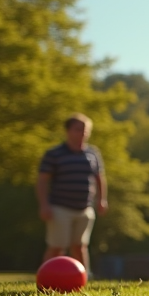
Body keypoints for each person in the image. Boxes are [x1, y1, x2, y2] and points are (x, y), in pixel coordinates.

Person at [37, 114, 106, 273]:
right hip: (60, 207)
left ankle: (83, 279)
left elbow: (99, 178)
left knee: (80, 246)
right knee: (57, 247)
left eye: (86, 130)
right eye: (78, 129)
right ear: (68, 131)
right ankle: (46, 278)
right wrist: (44, 205)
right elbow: (42, 180)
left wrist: (102, 199)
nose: (83, 133)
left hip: (85, 208)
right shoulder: (54, 154)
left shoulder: (93, 153)